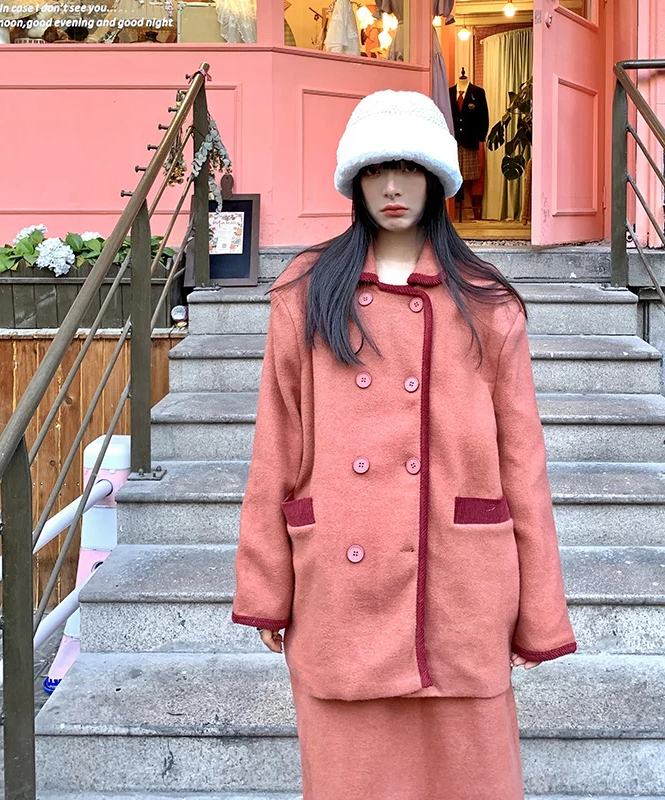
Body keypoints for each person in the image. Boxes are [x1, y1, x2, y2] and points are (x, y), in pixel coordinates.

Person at [231, 89, 577, 800]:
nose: (393, 187)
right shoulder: (306, 293)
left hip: (457, 586)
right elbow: (276, 446)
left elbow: (524, 463)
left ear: (438, 178)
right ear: (355, 181)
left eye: (410, 168)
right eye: (376, 169)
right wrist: (266, 587)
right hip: (342, 589)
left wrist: (540, 610)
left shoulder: (487, 302)